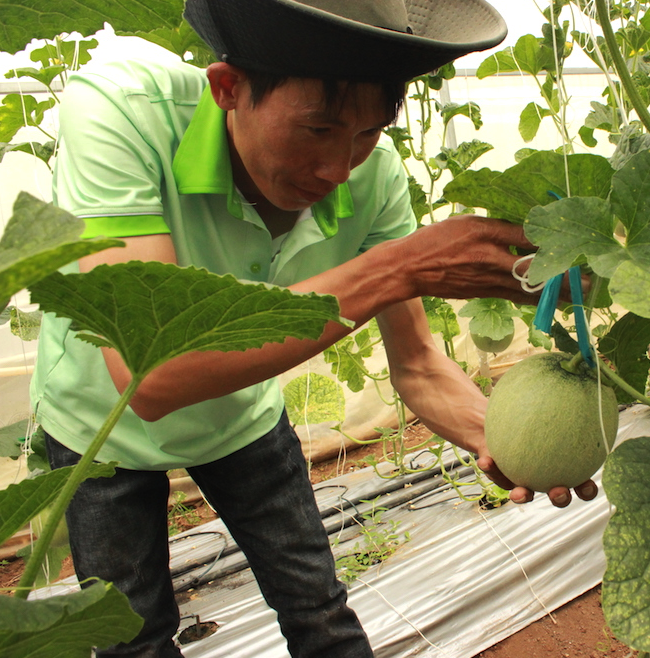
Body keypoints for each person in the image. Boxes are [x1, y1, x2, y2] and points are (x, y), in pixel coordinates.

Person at [30, 0, 598, 656]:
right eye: (319, 129)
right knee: (134, 641)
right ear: (228, 89)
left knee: (319, 606)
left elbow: (415, 364)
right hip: (98, 428)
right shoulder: (121, 109)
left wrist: (504, 437)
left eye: (367, 134)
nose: (339, 169)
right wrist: (400, 267)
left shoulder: (375, 178)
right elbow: (148, 374)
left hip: (241, 416)